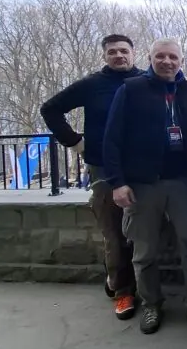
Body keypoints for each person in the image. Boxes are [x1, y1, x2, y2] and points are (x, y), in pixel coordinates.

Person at [103, 38, 187, 334]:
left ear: (181, 60)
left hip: (184, 182)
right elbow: (112, 139)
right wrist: (117, 183)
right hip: (143, 184)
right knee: (144, 251)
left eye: (173, 57)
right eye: (161, 56)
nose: (167, 61)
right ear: (150, 58)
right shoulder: (131, 90)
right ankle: (151, 304)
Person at [41, 35, 141, 320]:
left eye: (124, 51)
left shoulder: (146, 81)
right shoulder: (92, 84)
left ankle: (143, 286)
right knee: (114, 232)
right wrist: (75, 142)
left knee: (142, 233)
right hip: (103, 168)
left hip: (141, 169)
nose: (119, 56)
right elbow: (50, 109)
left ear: (133, 53)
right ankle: (122, 291)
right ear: (105, 56)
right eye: (113, 52)